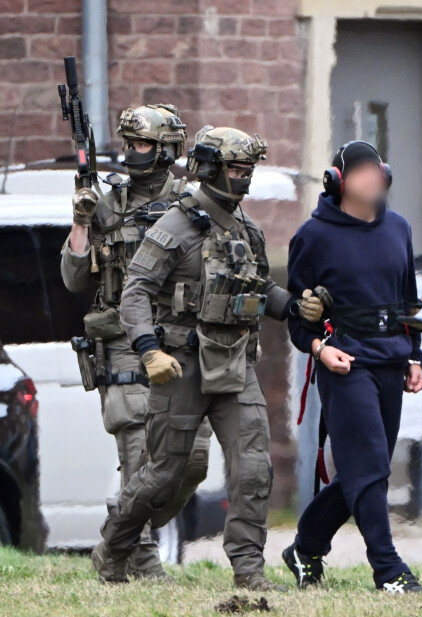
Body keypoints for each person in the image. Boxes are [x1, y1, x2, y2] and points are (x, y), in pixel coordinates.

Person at [91, 126, 323, 591]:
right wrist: (148, 350)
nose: (245, 180)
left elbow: (259, 287)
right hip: (180, 365)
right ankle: (113, 547)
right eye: (237, 170)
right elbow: (136, 293)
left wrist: (295, 306)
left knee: (254, 467)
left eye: (249, 171)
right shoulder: (176, 225)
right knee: (163, 473)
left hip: (234, 364)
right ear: (211, 169)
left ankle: (249, 572)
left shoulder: (245, 228)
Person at [61, 104, 211, 580]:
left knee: (193, 459)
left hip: (179, 338)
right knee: (137, 451)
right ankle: (143, 564)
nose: (132, 153)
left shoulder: (192, 203)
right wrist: (82, 222)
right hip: (123, 341)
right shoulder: (109, 203)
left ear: (167, 148)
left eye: (142, 144)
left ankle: (121, 526)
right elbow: (71, 280)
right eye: (128, 143)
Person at [281, 141, 422, 594]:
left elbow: (409, 302)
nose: (371, 180)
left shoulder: (399, 228)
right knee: (369, 468)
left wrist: (415, 355)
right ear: (338, 181)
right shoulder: (313, 236)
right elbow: (294, 312)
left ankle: (306, 545)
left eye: (375, 171)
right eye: (360, 172)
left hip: (391, 358)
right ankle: (388, 569)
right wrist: (319, 349)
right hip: (344, 363)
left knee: (368, 469)